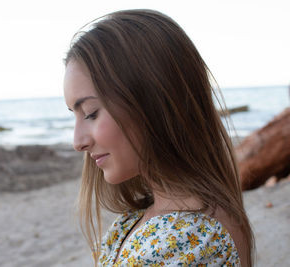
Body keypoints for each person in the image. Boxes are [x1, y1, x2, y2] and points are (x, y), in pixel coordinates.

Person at [63, 9, 254, 267]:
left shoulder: (187, 241)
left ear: (152, 103)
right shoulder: (140, 221)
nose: (78, 141)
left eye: (90, 113)